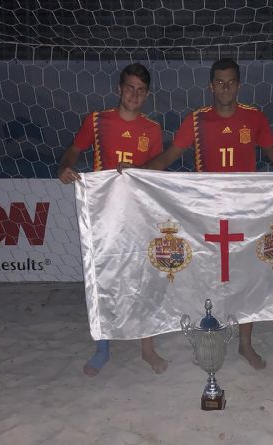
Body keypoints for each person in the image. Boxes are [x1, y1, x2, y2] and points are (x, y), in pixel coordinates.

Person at [126, 58, 273, 369]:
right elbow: (168, 157)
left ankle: (246, 344)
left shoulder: (254, 118)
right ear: (210, 86)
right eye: (219, 82)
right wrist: (134, 173)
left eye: (231, 82)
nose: (225, 87)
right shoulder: (196, 120)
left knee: (248, 276)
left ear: (239, 85)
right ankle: (211, 337)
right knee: (208, 276)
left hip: (246, 211)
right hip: (206, 213)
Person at [58, 63, 168, 376]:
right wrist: (63, 168)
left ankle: (148, 348)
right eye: (129, 87)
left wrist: (138, 175)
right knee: (103, 277)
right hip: (105, 213)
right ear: (119, 89)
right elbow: (73, 150)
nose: (134, 94)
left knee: (145, 277)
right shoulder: (97, 121)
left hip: (139, 214)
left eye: (141, 90)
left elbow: (158, 171)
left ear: (147, 94)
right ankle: (103, 347)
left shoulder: (153, 129)